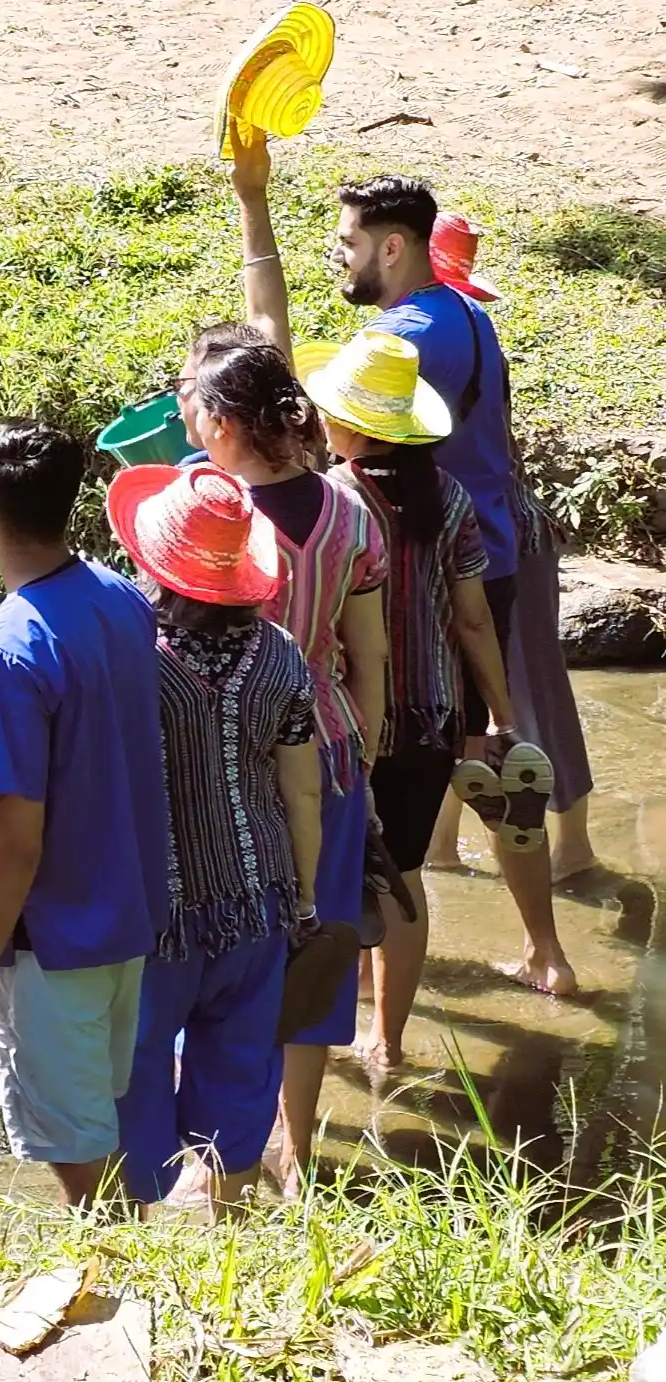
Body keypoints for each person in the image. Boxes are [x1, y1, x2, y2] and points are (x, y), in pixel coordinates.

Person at [322, 175, 576, 996]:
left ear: (391, 247)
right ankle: (543, 950)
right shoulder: (469, 314)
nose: (340, 254)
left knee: (441, 760)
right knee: (478, 758)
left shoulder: (398, 340)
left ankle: (384, 970)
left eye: (349, 241)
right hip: (487, 551)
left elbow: (325, 423)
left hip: (421, 569)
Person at [206, 126, 390, 1191]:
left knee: (228, 944)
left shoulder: (209, 514)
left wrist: (252, 201)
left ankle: (222, 1160)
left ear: (221, 430)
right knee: (315, 948)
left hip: (227, 758)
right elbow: (365, 657)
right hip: (325, 748)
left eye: (195, 406)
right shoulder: (343, 508)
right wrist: (354, 752)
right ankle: (298, 1149)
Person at [0, 418, 170, 1207]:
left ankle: (128, 1306)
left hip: (50, 948)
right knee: (99, 1131)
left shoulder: (5, 651)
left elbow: (12, 839)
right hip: (125, 922)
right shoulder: (119, 598)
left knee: (81, 1166)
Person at [298, 329, 535, 1062]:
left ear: (354, 425)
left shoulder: (332, 500)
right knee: (402, 869)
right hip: (431, 718)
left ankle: (316, 1033)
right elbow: (471, 618)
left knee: (334, 871)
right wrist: (501, 714)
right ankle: (388, 1040)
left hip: (348, 721)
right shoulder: (451, 496)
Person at [106, 464, 322, 1219]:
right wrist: (302, 895)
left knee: (132, 1069)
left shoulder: (129, 656)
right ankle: (229, 1221)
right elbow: (301, 790)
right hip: (256, 900)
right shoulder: (280, 655)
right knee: (238, 1063)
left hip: (153, 909)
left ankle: (129, 1228)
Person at [420, 213, 598, 883]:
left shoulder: (454, 335)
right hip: (470, 540)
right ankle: (436, 844)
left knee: (531, 691)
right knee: (452, 697)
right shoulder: (459, 328)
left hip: (504, 540)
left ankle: (574, 844)